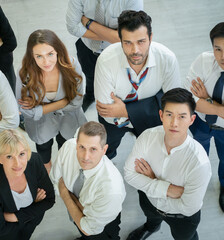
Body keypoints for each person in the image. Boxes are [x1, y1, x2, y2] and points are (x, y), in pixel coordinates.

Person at [124, 88, 211, 240]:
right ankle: (151, 227)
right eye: (169, 115)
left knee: (186, 237)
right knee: (151, 218)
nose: (174, 123)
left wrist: (151, 180)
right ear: (161, 115)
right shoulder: (147, 137)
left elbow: (189, 207)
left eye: (182, 117)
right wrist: (169, 190)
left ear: (191, 120)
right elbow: (129, 174)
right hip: (148, 200)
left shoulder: (199, 163)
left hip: (182, 217)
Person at [94, 10, 181, 159]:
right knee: (105, 151)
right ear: (120, 40)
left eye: (141, 41)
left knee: (154, 152)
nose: (135, 51)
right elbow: (107, 112)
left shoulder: (167, 59)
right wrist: (153, 105)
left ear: (150, 38)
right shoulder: (106, 60)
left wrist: (126, 111)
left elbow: (174, 105)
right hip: (114, 123)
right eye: (128, 43)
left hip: (150, 122)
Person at [16, 29, 87, 172]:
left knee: (66, 148)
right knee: (43, 149)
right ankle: (48, 174)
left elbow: (77, 101)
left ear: (58, 51)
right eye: (39, 56)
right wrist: (63, 102)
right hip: (41, 126)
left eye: (50, 54)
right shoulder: (24, 74)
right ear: (32, 56)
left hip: (69, 121)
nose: (46, 62)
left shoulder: (72, 65)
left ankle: (62, 174)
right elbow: (25, 111)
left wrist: (40, 109)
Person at [50, 121, 126, 240]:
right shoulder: (68, 147)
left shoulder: (111, 189)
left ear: (104, 149)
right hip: (83, 217)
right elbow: (55, 179)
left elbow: (89, 229)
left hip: (102, 227)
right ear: (76, 143)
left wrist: (65, 195)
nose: (85, 157)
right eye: (82, 147)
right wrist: (80, 210)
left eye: (93, 149)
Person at [66, 0, 143, 111]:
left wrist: (88, 23)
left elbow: (130, 34)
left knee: (115, 81)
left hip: (117, 53)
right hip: (87, 48)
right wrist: (112, 35)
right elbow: (72, 27)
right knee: (90, 75)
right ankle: (91, 95)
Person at [0, 129, 55, 240]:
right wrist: (34, 208)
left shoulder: (34, 161)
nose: (18, 163)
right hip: (5, 234)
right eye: (9, 156)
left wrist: (15, 217)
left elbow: (49, 200)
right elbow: (0, 228)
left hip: (31, 223)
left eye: (21, 154)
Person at [184, 22, 224, 212]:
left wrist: (206, 99)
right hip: (200, 123)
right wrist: (218, 108)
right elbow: (189, 99)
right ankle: (197, 184)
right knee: (199, 156)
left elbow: (199, 100)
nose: (222, 56)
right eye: (218, 49)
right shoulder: (203, 61)